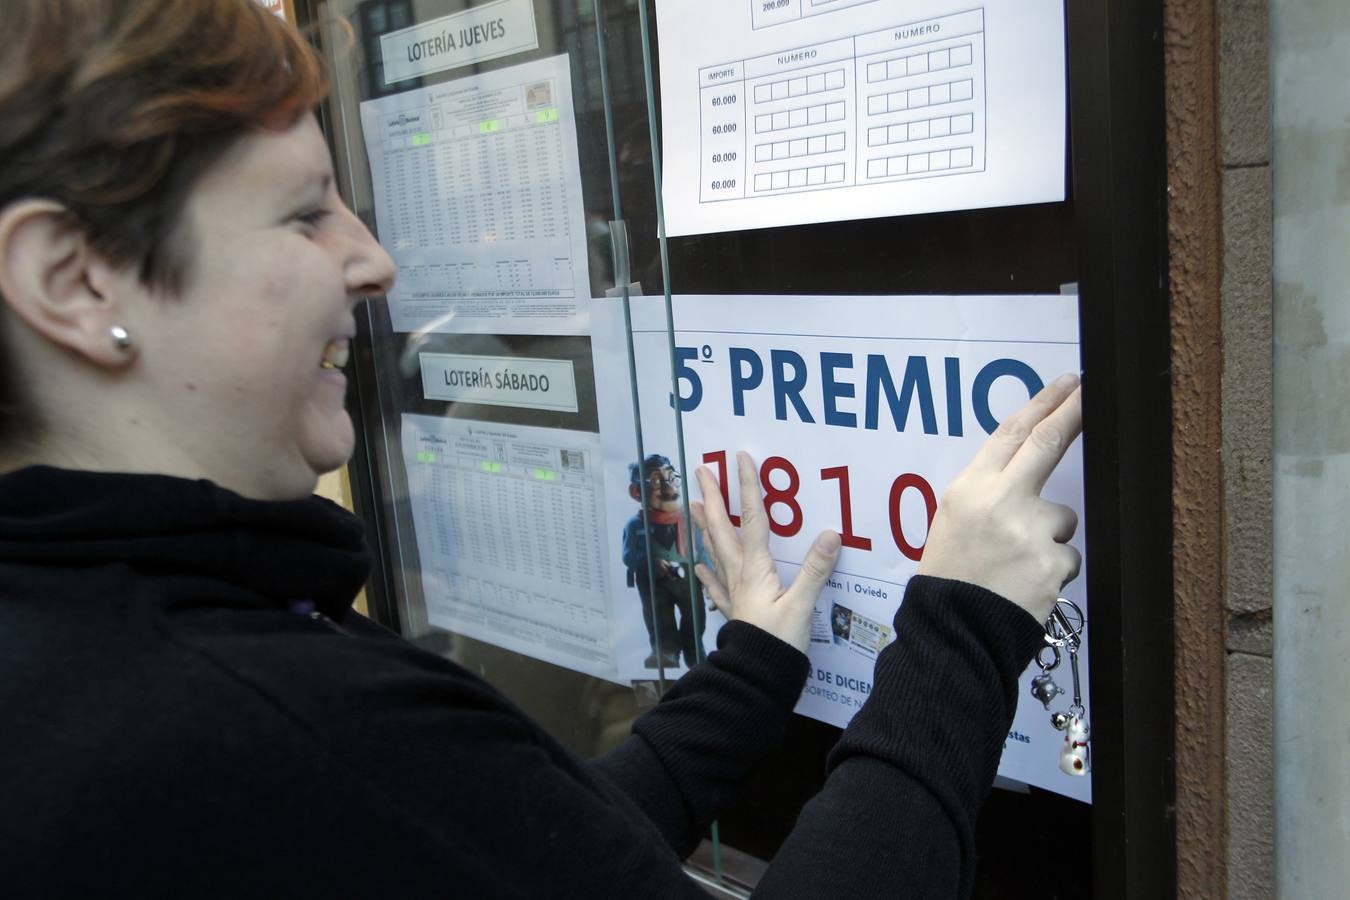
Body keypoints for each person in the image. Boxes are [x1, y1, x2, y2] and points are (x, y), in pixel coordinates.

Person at [0, 2, 1083, 897]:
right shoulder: (247, 717)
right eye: (303, 214)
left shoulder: (82, 637)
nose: (373, 260)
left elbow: (533, 851)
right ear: (72, 278)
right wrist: (961, 628)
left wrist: (753, 664)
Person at [621, 453, 707, 668]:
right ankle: (666, 651)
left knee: (694, 617)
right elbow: (628, 554)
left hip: (687, 580)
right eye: (658, 482)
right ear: (636, 491)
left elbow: (703, 550)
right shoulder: (635, 525)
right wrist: (648, 562)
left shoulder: (688, 520)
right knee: (659, 618)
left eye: (672, 479)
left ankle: (693, 650)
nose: (669, 489)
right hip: (654, 584)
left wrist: (711, 582)